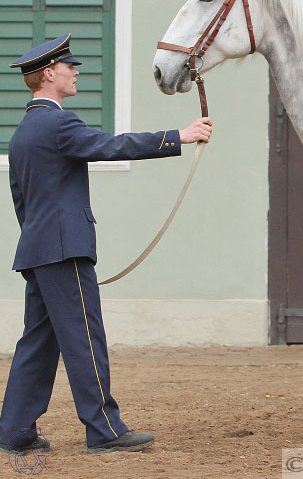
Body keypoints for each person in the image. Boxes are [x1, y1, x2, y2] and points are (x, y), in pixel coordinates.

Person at [0, 34, 212, 455]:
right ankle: (104, 431)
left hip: (40, 250)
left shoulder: (24, 131)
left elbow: (21, 201)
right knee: (84, 337)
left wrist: (43, 243)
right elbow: (112, 146)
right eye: (68, 67)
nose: (75, 71)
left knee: (38, 342)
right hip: (64, 249)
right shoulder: (59, 122)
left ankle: (14, 431)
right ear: (48, 74)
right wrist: (179, 136)